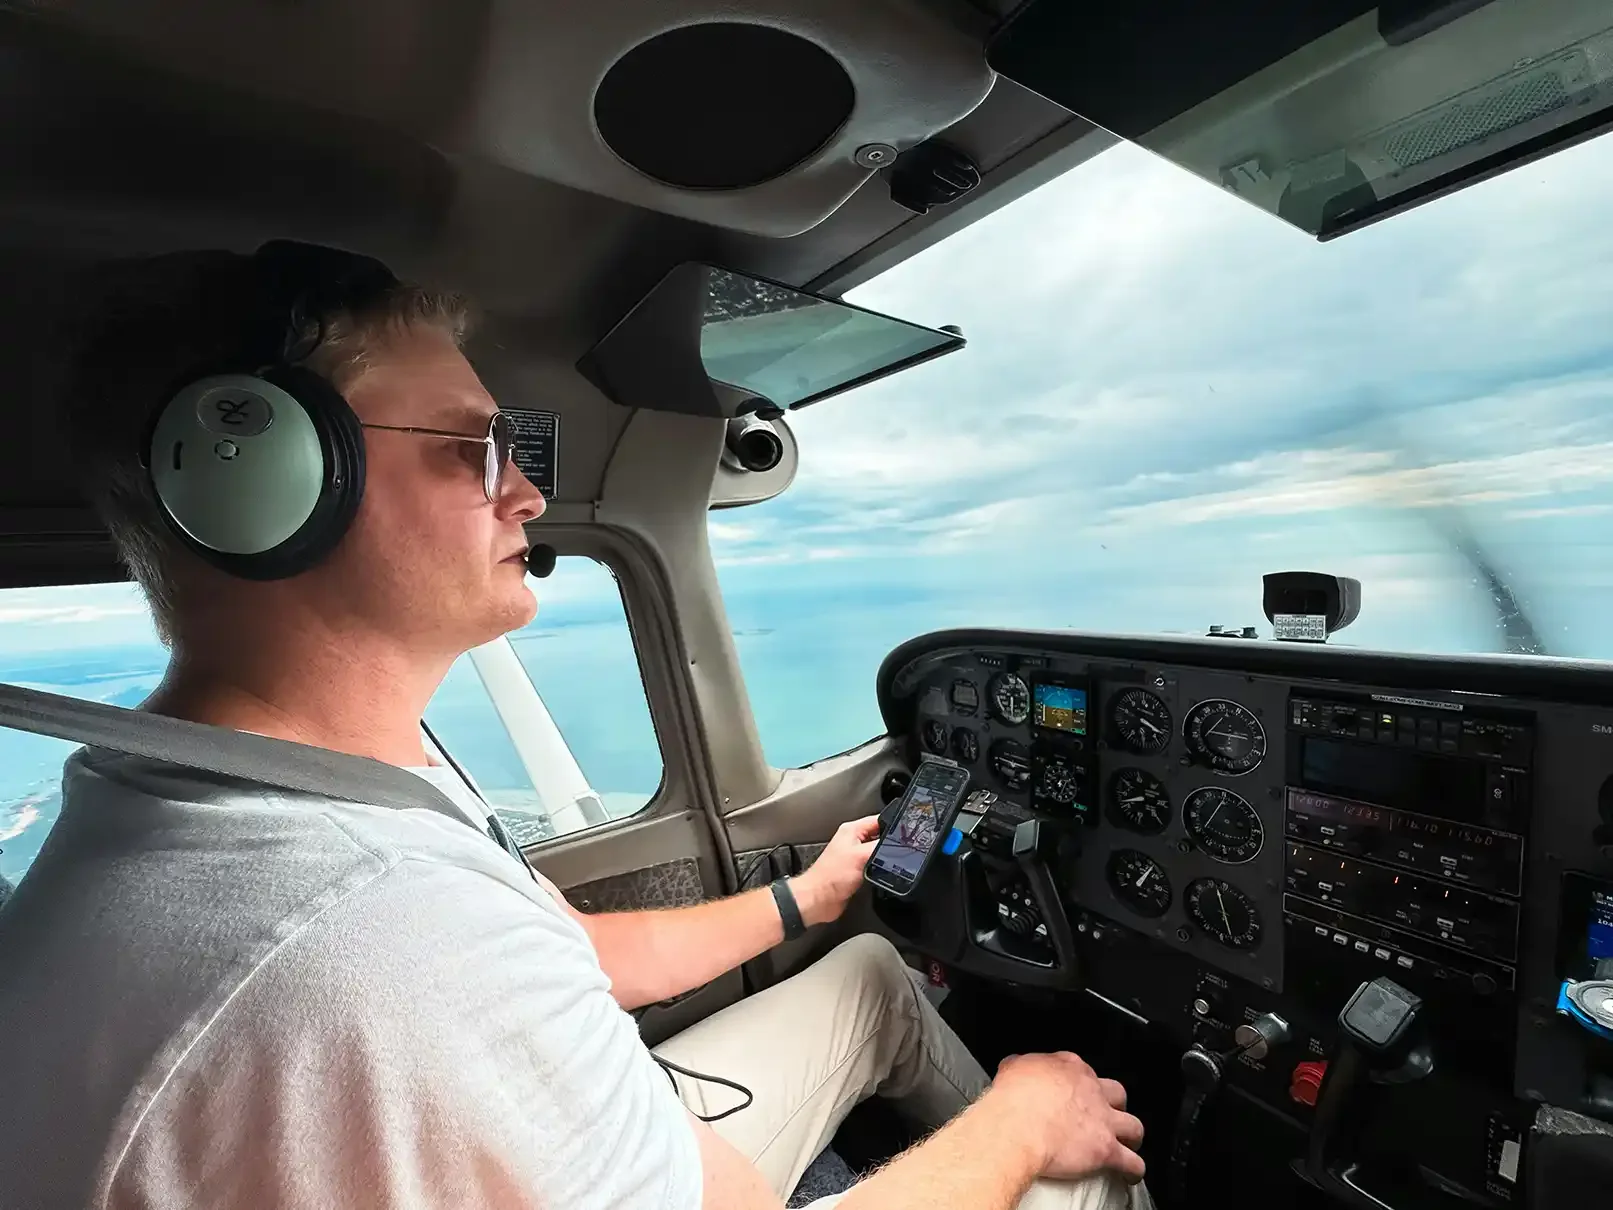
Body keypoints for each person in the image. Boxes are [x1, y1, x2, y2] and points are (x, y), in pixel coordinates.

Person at [0, 243, 1151, 1210]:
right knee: (1076, 1154)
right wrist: (1018, 1125)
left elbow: (578, 958)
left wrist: (814, 893)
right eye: (471, 448)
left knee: (868, 975)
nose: (528, 495)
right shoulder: (373, 924)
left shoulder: (270, 790)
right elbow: (427, 956)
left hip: (631, 1140)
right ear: (264, 482)